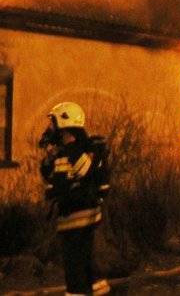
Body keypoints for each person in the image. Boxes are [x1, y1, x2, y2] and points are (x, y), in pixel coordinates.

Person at [40, 102, 110, 296]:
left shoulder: (78, 150)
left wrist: (67, 150)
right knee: (83, 268)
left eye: (53, 123)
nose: (51, 128)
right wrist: (48, 159)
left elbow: (84, 170)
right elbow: (54, 179)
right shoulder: (66, 152)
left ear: (64, 123)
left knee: (76, 270)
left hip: (80, 217)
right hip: (70, 218)